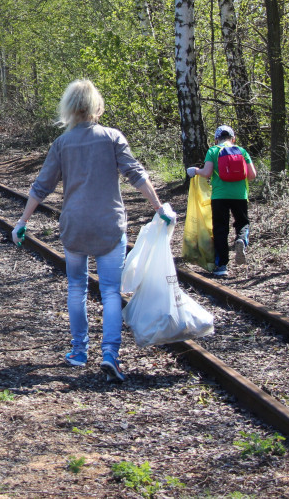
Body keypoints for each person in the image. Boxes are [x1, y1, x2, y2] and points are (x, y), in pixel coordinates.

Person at [12, 79, 173, 383]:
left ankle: (78, 351)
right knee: (111, 291)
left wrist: (22, 221)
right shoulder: (112, 137)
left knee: (77, 287)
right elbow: (136, 175)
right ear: (96, 105)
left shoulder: (62, 144)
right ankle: (110, 354)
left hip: (75, 226)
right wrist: (158, 207)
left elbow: (41, 186)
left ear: (70, 108)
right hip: (108, 225)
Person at [186, 125, 257, 278]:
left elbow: (207, 173)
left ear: (216, 138)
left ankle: (222, 265)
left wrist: (195, 171)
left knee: (220, 229)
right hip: (240, 195)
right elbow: (252, 175)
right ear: (233, 138)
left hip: (219, 196)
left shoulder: (213, 151)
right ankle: (241, 240)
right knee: (242, 222)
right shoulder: (242, 151)